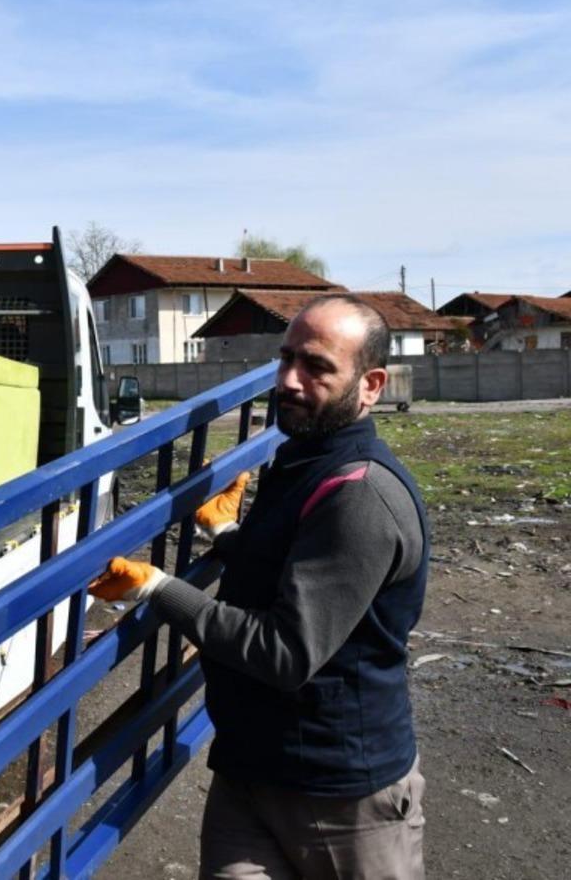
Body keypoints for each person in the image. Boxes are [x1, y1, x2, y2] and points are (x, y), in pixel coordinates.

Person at [91, 294, 428, 879]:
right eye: (286, 359)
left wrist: (159, 589)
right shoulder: (304, 460)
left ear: (370, 385)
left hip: (341, 794)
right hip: (250, 772)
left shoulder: (360, 495)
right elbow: (287, 569)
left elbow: (284, 650)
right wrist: (228, 536)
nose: (290, 380)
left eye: (318, 367)